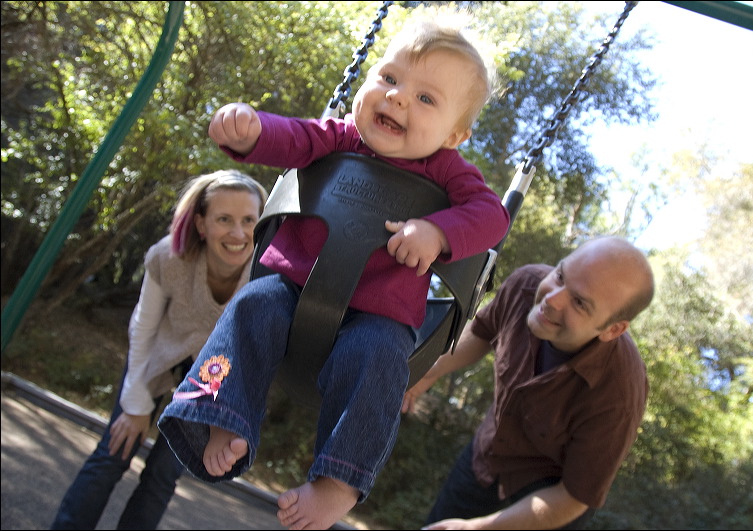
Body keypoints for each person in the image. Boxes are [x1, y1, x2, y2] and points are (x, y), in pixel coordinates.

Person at [157, 12, 511, 531]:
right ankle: (223, 414)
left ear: (455, 133)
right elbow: (292, 138)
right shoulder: (340, 137)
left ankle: (338, 481)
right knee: (253, 305)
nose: (396, 98)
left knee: (381, 359)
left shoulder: (448, 171)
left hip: (379, 318)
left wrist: (436, 234)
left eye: (425, 98)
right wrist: (249, 130)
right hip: (293, 288)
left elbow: (491, 217)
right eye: (389, 79)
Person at [50, 170, 268, 530]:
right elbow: (143, 327)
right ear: (201, 223)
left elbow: (257, 356)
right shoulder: (168, 258)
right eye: (224, 220)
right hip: (158, 355)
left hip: (213, 378)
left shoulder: (265, 277)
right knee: (114, 452)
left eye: (249, 220)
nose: (238, 233)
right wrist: (135, 405)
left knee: (163, 476)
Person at [402, 235, 655, 530]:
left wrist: (479, 528)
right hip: (486, 457)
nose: (551, 299)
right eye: (560, 276)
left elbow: (573, 497)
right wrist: (426, 375)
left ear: (613, 329)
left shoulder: (618, 394)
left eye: (579, 303)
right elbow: (483, 332)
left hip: (548, 500)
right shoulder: (525, 285)